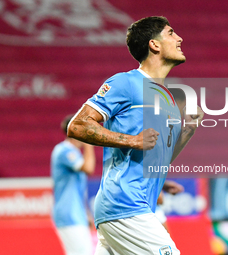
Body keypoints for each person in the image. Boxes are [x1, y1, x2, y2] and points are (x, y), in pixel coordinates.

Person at [68, 16, 204, 255]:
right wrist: (132, 140)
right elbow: (78, 126)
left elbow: (158, 156)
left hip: (130, 208)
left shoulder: (167, 98)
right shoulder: (126, 82)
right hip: (125, 205)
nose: (179, 38)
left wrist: (187, 131)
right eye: (171, 33)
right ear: (155, 44)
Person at [51, 114, 96, 255]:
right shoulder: (64, 151)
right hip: (68, 214)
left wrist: (86, 213)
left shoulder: (73, 152)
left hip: (76, 214)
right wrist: (88, 144)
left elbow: (77, 189)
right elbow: (89, 168)